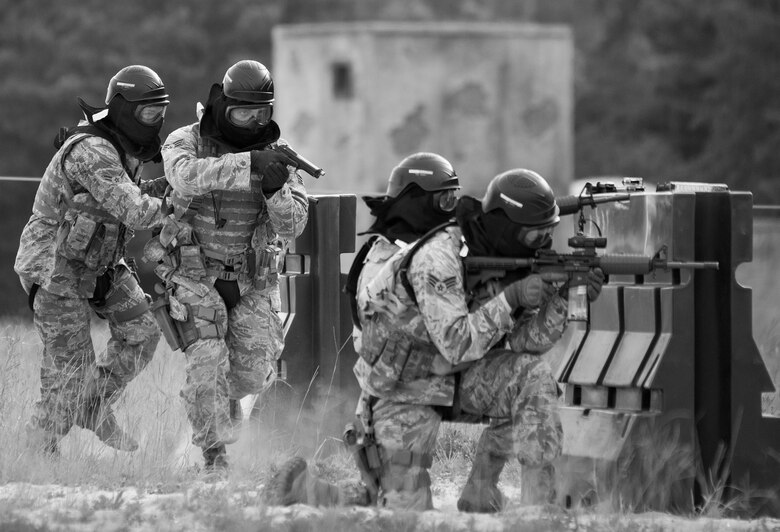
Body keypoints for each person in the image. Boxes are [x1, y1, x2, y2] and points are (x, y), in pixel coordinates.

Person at [268, 168, 605, 511]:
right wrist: (513, 297)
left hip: (456, 376)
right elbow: (455, 342)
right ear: (507, 226)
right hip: (403, 386)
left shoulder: (507, 261)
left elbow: (524, 344)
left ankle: (510, 496)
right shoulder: (439, 257)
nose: (543, 244)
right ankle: (306, 490)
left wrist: (563, 299)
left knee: (531, 376)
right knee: (403, 506)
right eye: (535, 237)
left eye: (549, 233)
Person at [146, 60, 309, 474]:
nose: (253, 121)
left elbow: (294, 223)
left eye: (261, 114)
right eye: (243, 113)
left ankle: (221, 404)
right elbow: (183, 179)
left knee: (253, 375)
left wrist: (274, 189)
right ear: (224, 107)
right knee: (206, 366)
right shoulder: (187, 140)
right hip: (192, 276)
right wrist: (247, 164)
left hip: (251, 281)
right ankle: (213, 457)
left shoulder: (278, 155)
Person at [14, 65, 172, 455]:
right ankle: (36, 454)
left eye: (160, 113)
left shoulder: (122, 147)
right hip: (55, 270)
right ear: (123, 109)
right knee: (68, 375)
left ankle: (91, 404)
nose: (156, 122)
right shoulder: (92, 149)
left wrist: (173, 184)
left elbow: (130, 193)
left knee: (143, 333)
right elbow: (134, 209)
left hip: (101, 266)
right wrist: (177, 204)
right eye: (148, 113)